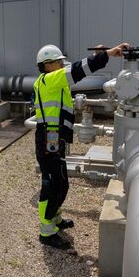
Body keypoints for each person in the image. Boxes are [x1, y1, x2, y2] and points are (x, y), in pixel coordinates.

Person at [33, 42, 129, 249]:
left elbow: (76, 68)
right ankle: (46, 231)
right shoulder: (51, 79)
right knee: (53, 185)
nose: (62, 65)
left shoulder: (52, 80)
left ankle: (55, 219)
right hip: (49, 139)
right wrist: (107, 54)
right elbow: (77, 70)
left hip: (53, 138)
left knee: (60, 182)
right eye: (58, 62)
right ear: (47, 65)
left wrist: (97, 55)